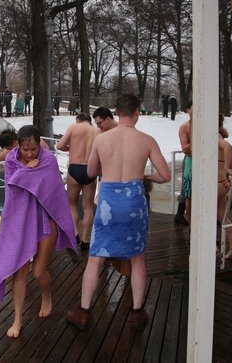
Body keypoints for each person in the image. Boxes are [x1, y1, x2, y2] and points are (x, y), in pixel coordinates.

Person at [67, 94, 171, 332]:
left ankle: (83, 312)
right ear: (137, 113)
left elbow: (92, 172)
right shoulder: (147, 140)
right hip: (134, 201)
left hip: (108, 203)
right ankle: (136, 313)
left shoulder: (102, 139)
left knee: (96, 258)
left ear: (117, 111)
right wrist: (144, 177)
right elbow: (165, 175)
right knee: (137, 259)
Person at [0, 125, 77, 338]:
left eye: (33, 149)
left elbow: (53, 191)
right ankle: (18, 319)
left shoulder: (48, 160)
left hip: (46, 220)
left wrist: (30, 170)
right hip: (21, 221)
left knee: (38, 272)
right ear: (17, 146)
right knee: (19, 273)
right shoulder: (11, 160)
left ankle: (47, 293)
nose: (30, 154)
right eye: (25, 149)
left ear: (39, 144)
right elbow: (13, 185)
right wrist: (28, 168)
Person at [56, 113, 99, 250]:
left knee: (72, 204)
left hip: (75, 169)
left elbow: (60, 146)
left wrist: (72, 148)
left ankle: (75, 234)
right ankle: (86, 240)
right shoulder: (96, 131)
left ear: (78, 120)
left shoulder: (74, 128)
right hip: (90, 170)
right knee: (88, 207)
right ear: (89, 121)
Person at [217, 114, 232, 259]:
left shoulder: (214, 136)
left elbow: (229, 148)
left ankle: (211, 247)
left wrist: (226, 170)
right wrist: (228, 170)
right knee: (222, 215)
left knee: (206, 214)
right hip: (221, 182)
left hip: (217, 182)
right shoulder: (220, 135)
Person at [175, 101, 193, 225]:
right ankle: (181, 215)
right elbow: (185, 148)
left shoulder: (208, 125)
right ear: (187, 110)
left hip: (206, 162)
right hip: (190, 160)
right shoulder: (184, 127)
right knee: (187, 190)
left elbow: (225, 134)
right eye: (193, 108)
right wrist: (199, 138)